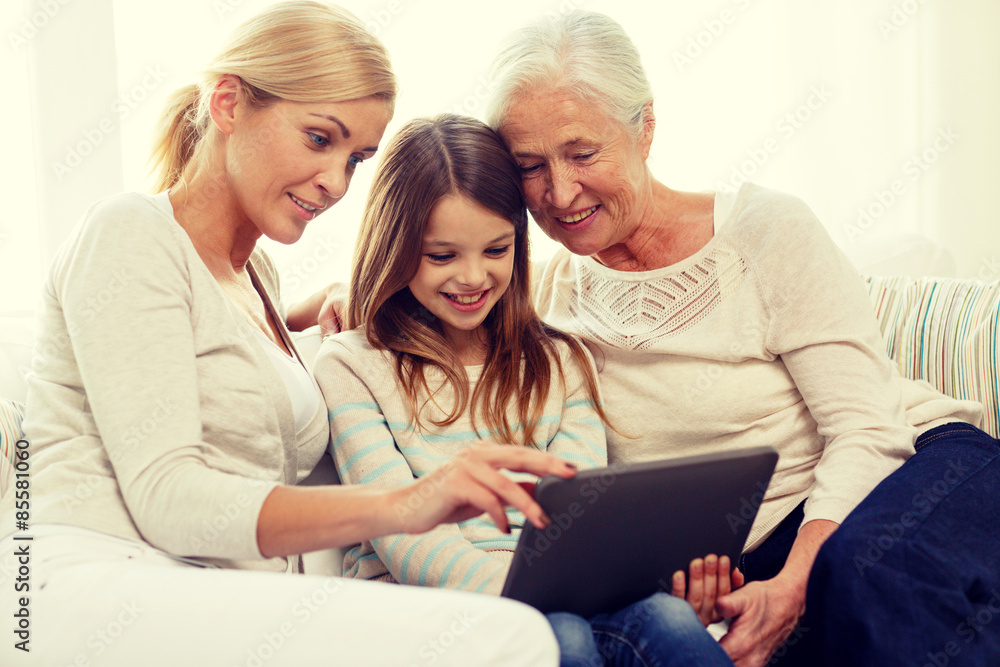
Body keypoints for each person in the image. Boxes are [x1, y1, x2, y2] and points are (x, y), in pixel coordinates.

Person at [0, 4, 577, 665]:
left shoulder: (257, 278)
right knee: (511, 635)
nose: (336, 181)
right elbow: (166, 495)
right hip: (92, 577)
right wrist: (406, 502)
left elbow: (223, 349)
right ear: (227, 103)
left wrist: (321, 307)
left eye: (356, 157)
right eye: (318, 138)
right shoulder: (130, 232)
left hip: (210, 589)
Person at [476, 10, 989, 667]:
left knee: (861, 584)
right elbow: (423, 268)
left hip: (909, 469)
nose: (560, 191)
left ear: (646, 127)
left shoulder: (763, 231)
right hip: (765, 548)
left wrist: (798, 580)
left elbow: (868, 428)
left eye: (582, 153)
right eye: (530, 166)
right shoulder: (538, 297)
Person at [312, 113, 739, 667]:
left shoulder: (559, 361)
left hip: (560, 597)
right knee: (560, 637)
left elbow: (577, 518)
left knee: (671, 621)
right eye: (443, 256)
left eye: (496, 250)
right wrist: (529, 599)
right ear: (395, 246)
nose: (473, 277)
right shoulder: (353, 365)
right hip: (426, 610)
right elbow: (403, 533)